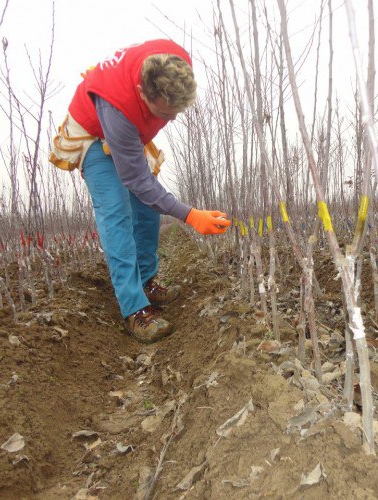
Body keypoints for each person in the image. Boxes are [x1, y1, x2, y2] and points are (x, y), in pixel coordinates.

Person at [49, 39, 231, 343]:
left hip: (128, 128)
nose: (170, 119)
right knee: (116, 214)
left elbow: (148, 194)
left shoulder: (175, 61)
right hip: (93, 132)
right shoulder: (118, 109)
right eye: (165, 113)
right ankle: (134, 309)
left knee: (147, 210)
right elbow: (139, 182)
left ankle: (147, 282)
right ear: (143, 93)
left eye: (176, 112)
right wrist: (189, 215)